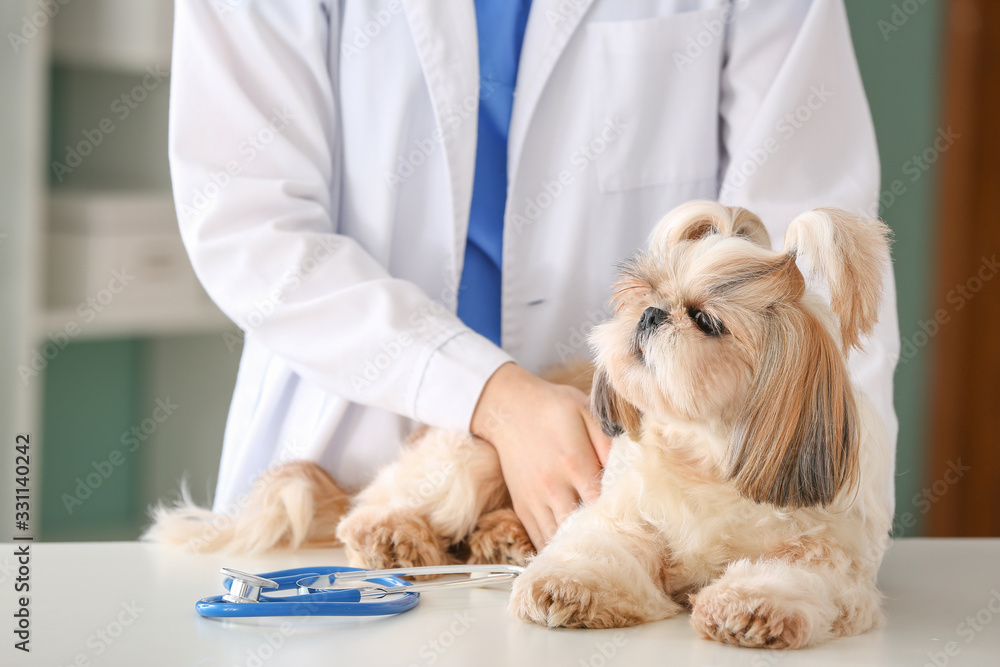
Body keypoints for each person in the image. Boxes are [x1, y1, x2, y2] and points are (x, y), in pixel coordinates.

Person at [168, 0, 900, 550]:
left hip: (633, 503)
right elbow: (248, 217)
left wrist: (832, 523)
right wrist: (492, 397)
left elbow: (814, 261)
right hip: (347, 472)